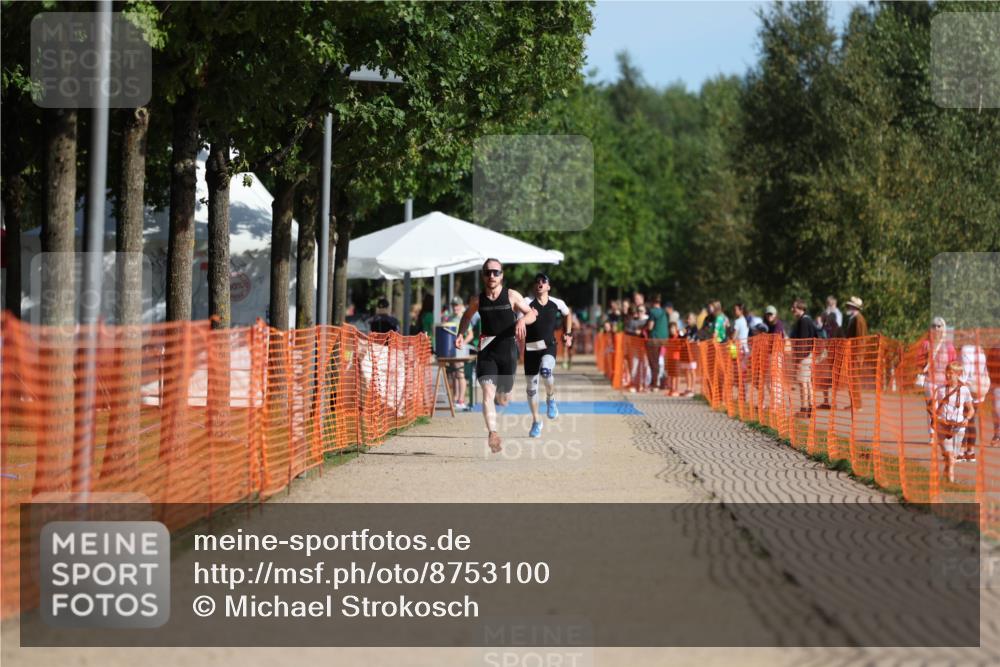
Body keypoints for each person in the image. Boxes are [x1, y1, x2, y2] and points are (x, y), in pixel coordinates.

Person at [455, 258, 536, 453]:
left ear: (502, 275)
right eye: (488, 272)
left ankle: (502, 396)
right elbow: (466, 317)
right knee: (488, 393)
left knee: (504, 393)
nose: (492, 276)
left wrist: (522, 321)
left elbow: (532, 313)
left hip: (508, 350)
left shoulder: (512, 295)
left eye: (495, 272)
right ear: (483, 275)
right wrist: (461, 333)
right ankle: (492, 432)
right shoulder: (478, 299)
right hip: (487, 350)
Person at [521, 273, 572, 437]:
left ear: (548, 286)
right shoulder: (527, 302)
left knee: (546, 371)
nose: (540, 284)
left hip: (548, 346)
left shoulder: (557, 303)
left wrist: (568, 333)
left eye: (544, 281)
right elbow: (519, 319)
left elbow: (568, 314)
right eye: (537, 282)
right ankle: (537, 421)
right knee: (531, 389)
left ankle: (551, 398)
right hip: (530, 349)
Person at [931, 361, 974, 483]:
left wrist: (967, 419)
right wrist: (939, 418)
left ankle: (945, 479)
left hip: (958, 428)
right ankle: (951, 482)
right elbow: (932, 409)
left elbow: (970, 410)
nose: (948, 375)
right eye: (947, 372)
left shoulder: (965, 390)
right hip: (942, 427)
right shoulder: (939, 390)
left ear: (958, 374)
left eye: (951, 373)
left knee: (952, 458)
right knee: (949, 456)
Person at [959, 343, 990, 461]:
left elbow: (965, 374)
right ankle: (970, 452)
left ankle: (961, 451)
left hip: (969, 388)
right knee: (971, 421)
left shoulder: (966, 351)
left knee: (964, 420)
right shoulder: (981, 351)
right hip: (980, 389)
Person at [788, 298, 819, 417]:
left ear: (801, 308)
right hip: (808, 355)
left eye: (794, 307)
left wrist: (799, 359)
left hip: (804, 356)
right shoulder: (807, 319)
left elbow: (804, 342)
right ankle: (809, 407)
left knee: (802, 382)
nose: (792, 310)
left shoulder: (804, 321)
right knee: (807, 382)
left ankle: (804, 409)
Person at [444, 297, 475, 411]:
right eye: (453, 305)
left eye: (457, 305)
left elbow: (470, 334)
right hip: (451, 350)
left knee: (460, 374)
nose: (455, 307)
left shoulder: (464, 317)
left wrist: (462, 343)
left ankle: (461, 400)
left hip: (460, 349)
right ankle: (455, 398)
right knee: (453, 374)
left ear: (462, 306)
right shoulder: (450, 317)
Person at [841, 296, 868, 410]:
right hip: (852, 352)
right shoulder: (854, 318)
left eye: (850, 306)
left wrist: (857, 355)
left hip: (856, 353)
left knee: (855, 378)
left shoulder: (858, 319)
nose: (848, 307)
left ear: (854, 307)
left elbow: (859, 338)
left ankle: (857, 404)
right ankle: (853, 403)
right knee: (851, 378)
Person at [646, 294, 670, 389]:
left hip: (654, 340)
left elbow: (650, 326)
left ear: (652, 302)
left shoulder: (652, 312)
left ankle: (654, 383)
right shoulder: (665, 312)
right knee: (663, 362)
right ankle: (664, 383)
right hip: (665, 339)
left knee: (654, 362)